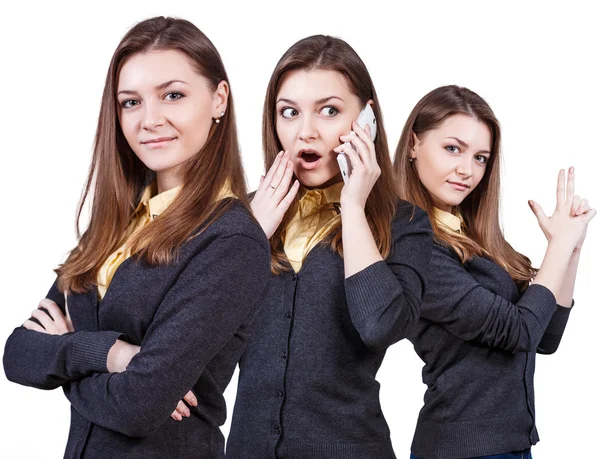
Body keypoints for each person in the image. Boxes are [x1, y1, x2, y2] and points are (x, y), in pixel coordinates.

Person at [3, 16, 270, 459]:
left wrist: (71, 357)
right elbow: (17, 355)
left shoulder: (231, 242)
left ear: (218, 99)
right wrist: (113, 357)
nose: (150, 119)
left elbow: (139, 406)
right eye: (130, 102)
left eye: (173, 95)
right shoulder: (116, 225)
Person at [222, 34, 433, 459]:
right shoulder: (242, 217)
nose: (306, 133)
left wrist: (354, 207)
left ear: (367, 119)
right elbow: (191, 331)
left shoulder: (405, 223)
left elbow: (380, 326)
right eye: (289, 112)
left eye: (330, 111)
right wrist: (250, 237)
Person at [393, 85, 596, 459]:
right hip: (461, 450)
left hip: (512, 446)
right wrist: (558, 247)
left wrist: (572, 250)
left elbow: (545, 336)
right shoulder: (414, 245)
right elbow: (520, 330)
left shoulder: (469, 236)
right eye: (452, 149)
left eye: (481, 158)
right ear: (413, 145)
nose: (467, 170)